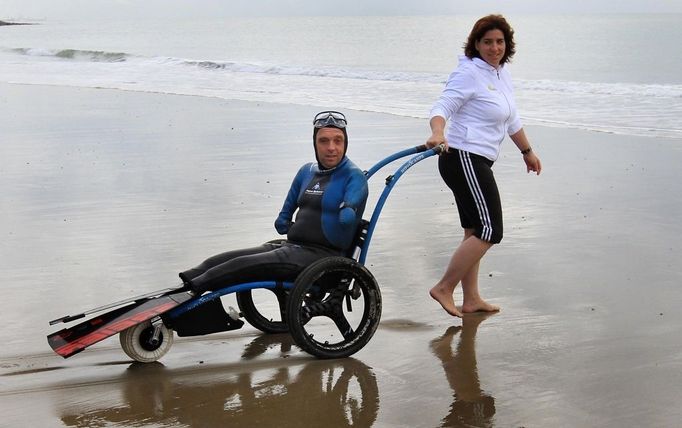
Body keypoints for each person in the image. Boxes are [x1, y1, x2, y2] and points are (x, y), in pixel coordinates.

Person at [425, 14, 542, 318]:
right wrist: (438, 132)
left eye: (499, 41)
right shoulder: (469, 73)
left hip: (477, 160)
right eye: (487, 42)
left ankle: (472, 298)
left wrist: (527, 151)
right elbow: (442, 107)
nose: (494, 47)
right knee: (491, 230)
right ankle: (444, 287)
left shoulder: (501, 73)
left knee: (475, 230)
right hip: (463, 156)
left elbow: (511, 118)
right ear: (476, 44)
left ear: (507, 44)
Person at [180, 111, 368, 295]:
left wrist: (348, 211)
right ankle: (178, 290)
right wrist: (284, 220)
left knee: (237, 267)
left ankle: (187, 298)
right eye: (324, 141)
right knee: (219, 261)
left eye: (338, 140)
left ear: (345, 143)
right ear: (315, 143)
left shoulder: (354, 176)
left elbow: (349, 210)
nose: (331, 148)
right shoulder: (306, 172)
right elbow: (284, 216)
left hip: (323, 259)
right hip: (291, 247)